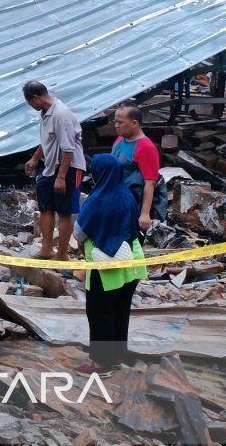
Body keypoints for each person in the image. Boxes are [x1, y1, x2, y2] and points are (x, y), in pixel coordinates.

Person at [75, 153, 146, 374]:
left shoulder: (96, 199)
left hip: (105, 266)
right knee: (120, 310)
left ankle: (100, 363)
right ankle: (116, 356)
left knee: (99, 312)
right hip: (132, 262)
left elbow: (79, 233)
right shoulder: (128, 195)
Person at [23, 80, 87, 260]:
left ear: (35, 98)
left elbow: (68, 148)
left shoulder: (61, 114)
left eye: (29, 103)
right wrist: (35, 158)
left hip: (69, 167)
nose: (31, 106)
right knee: (46, 207)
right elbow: (49, 141)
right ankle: (46, 248)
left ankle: (62, 254)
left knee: (64, 211)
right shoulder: (46, 113)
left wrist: (61, 176)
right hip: (51, 167)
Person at [111, 105, 166, 231]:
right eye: (115, 122)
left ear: (134, 123)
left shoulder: (145, 147)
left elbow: (150, 183)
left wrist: (145, 214)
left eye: (120, 122)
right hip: (118, 198)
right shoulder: (119, 140)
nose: (116, 126)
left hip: (133, 201)